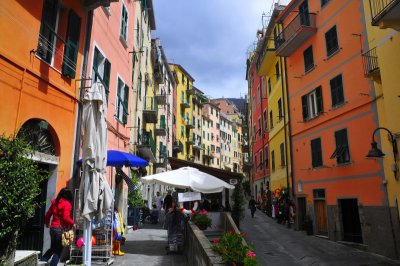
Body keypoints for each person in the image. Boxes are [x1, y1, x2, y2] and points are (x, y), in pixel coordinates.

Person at [41, 188, 74, 266]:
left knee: (52, 248)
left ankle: (42, 261)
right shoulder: (67, 204)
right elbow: (66, 217)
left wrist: (47, 223)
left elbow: (48, 215)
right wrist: (73, 223)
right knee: (58, 250)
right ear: (69, 196)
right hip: (60, 229)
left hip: (53, 229)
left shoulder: (54, 202)